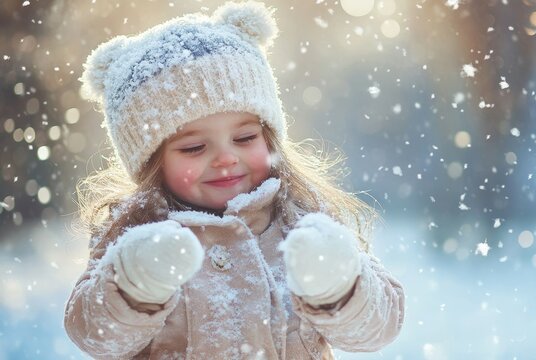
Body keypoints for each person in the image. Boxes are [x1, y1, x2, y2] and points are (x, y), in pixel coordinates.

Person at [64, 1, 405, 359]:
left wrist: (338, 284)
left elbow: (376, 331)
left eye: (244, 139)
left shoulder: (302, 219)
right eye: (195, 147)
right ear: (152, 162)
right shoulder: (134, 232)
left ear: (269, 138)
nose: (226, 158)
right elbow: (94, 336)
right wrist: (136, 283)